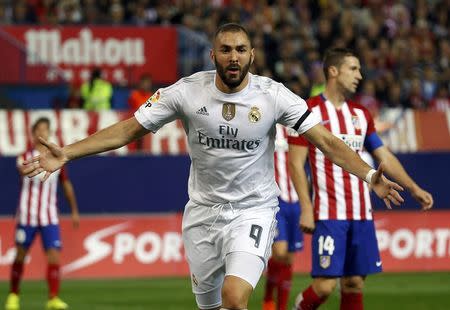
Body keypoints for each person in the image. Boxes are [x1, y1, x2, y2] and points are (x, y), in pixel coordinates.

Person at [22, 24, 404, 310]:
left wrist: (370, 175)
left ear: (252, 55)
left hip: (253, 211)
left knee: (235, 299)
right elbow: (128, 129)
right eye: (225, 50)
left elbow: (328, 142)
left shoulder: (273, 96)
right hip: (202, 216)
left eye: (240, 50)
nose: (233, 57)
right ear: (213, 55)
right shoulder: (187, 92)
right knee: (211, 305)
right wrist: (67, 152)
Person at [288, 48, 434, 310]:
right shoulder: (309, 110)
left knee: (354, 283)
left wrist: (413, 187)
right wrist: (306, 208)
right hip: (329, 214)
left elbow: (384, 155)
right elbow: (296, 163)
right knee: (324, 286)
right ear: (333, 71)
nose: (360, 75)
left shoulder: (361, 114)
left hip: (361, 214)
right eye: (353, 69)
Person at [5, 117, 80, 310]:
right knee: (20, 255)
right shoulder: (24, 156)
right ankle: (13, 296)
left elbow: (66, 185)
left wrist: (73, 210)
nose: (42, 134)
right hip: (27, 216)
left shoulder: (57, 159)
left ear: (49, 133)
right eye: (39, 130)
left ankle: (53, 298)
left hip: (49, 216)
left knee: (54, 256)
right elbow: (22, 170)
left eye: (46, 130)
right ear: (33, 133)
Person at [263, 125, 305, 310]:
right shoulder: (267, 125)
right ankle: (268, 299)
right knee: (279, 252)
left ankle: (280, 306)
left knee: (288, 258)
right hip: (276, 198)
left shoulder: (296, 127)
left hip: (296, 199)